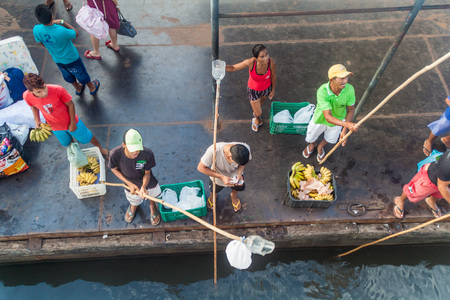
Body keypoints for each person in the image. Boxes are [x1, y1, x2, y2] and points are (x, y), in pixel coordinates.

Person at [22, 74, 109, 157]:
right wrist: (37, 120)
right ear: (31, 91)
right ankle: (77, 152)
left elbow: (70, 105)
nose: (44, 92)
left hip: (70, 121)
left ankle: (101, 148)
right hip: (54, 126)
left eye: (44, 87)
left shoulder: (58, 89)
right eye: (39, 92)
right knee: (68, 142)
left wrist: (73, 123)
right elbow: (33, 107)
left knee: (87, 137)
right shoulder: (27, 96)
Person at [33, 4, 100, 96]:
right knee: (81, 73)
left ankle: (78, 88)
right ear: (52, 16)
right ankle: (91, 87)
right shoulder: (61, 30)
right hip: (72, 58)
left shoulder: (36, 29)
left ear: (38, 19)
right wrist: (62, 22)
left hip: (57, 59)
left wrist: (49, 47)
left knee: (67, 75)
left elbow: (40, 41)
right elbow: (75, 33)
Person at [302, 64, 358, 162]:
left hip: (339, 119)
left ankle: (320, 147)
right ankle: (312, 144)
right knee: (311, 136)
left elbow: (351, 110)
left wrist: (344, 130)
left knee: (330, 138)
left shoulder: (350, 89)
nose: (345, 81)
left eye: (346, 77)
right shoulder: (322, 91)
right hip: (320, 118)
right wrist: (347, 124)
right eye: (341, 78)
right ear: (332, 79)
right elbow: (327, 116)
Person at [108, 129, 161, 225]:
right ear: (124, 145)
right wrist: (129, 183)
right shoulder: (115, 154)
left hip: (147, 181)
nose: (136, 152)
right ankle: (134, 205)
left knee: (152, 195)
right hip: (130, 182)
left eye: (138, 149)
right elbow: (114, 169)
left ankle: (153, 206)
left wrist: (144, 186)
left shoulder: (147, 154)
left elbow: (147, 173)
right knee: (133, 199)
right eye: (132, 149)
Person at [225, 44, 277, 132]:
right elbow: (233, 67)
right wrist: (221, 67)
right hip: (253, 90)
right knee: (258, 112)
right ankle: (256, 119)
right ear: (256, 58)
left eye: (267, 54)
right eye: (262, 56)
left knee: (261, 102)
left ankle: (257, 114)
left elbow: (273, 76)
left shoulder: (271, 62)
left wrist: (273, 90)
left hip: (266, 88)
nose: (266, 58)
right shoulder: (250, 62)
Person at [393, 149, 450, 219]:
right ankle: (401, 199)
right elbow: (442, 187)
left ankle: (431, 200)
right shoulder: (447, 165)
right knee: (413, 191)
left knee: (441, 194)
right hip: (430, 179)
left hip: (446, 183)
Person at [197, 142, 251, 212]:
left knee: (239, 187)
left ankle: (233, 196)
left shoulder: (245, 148)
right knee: (214, 189)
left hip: (235, 176)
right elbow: (200, 168)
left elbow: (243, 164)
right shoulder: (213, 151)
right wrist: (221, 177)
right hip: (217, 177)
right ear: (229, 156)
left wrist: (239, 173)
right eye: (237, 163)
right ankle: (213, 195)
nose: (238, 165)